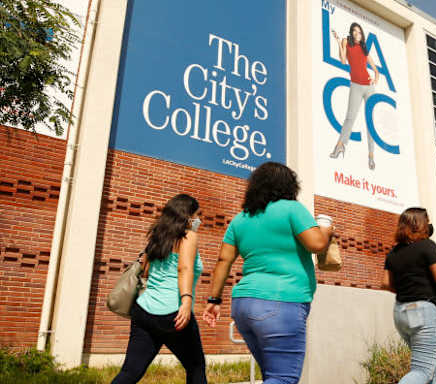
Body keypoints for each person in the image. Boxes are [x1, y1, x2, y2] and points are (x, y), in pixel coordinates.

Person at [203, 162, 334, 384]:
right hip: (281, 302)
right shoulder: (292, 209)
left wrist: (214, 299)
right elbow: (317, 243)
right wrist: (327, 229)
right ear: (289, 185)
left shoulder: (240, 219)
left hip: (243, 305)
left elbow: (223, 260)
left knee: (271, 376)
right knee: (283, 378)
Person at [112, 194, 207, 384]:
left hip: (144, 312)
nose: (199, 220)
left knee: (130, 372)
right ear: (187, 216)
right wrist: (187, 301)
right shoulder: (188, 236)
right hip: (173, 314)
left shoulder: (158, 236)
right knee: (196, 367)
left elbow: (145, 271)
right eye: (197, 215)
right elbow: (185, 268)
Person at [381, 207, 436, 384]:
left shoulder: (393, 252)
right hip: (423, 312)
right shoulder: (427, 246)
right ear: (420, 224)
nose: (429, 224)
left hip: (401, 313)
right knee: (422, 370)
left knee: (432, 366)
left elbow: (385, 283)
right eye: (427, 220)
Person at [329, 22, 381, 170]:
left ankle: (371, 156)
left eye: (359, 32)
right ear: (351, 33)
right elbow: (343, 60)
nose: (357, 34)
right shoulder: (347, 42)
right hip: (356, 85)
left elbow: (376, 70)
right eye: (355, 32)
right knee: (350, 117)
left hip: (369, 87)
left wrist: (375, 79)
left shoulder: (364, 49)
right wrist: (339, 42)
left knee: (370, 121)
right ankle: (340, 146)